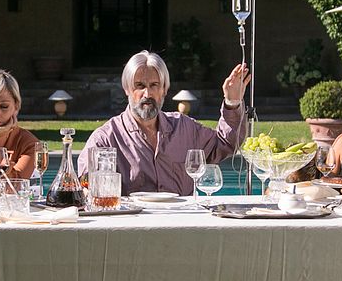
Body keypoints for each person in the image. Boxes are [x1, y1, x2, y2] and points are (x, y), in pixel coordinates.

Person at [78, 51, 250, 195]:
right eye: (139, 85)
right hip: (131, 230)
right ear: (127, 89)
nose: (147, 93)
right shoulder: (105, 139)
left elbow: (226, 143)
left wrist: (232, 102)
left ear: (164, 90)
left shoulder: (185, 128)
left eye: (154, 85)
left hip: (182, 229)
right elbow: (84, 187)